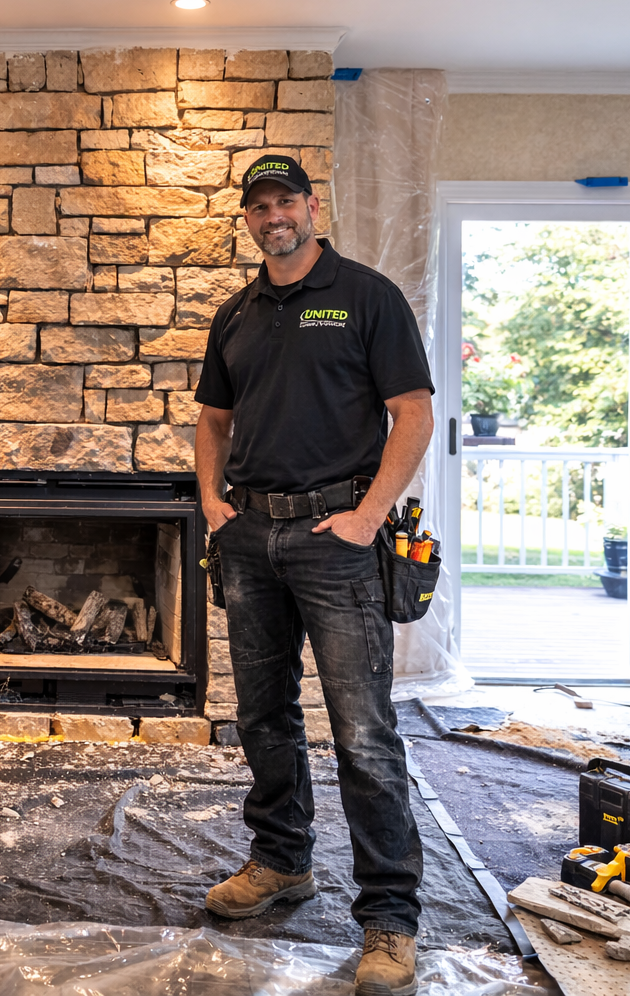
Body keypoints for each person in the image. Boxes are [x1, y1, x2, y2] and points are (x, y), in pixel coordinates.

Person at [193, 154, 434, 996]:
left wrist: (369, 515)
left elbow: (414, 413)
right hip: (251, 537)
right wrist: (212, 503)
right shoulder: (237, 312)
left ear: (310, 205)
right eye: (258, 206)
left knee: (363, 734)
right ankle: (281, 861)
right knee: (263, 715)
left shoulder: (367, 296)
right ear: (250, 219)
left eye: (285, 200)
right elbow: (212, 420)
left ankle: (390, 919)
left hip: (338, 539)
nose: (273, 216)